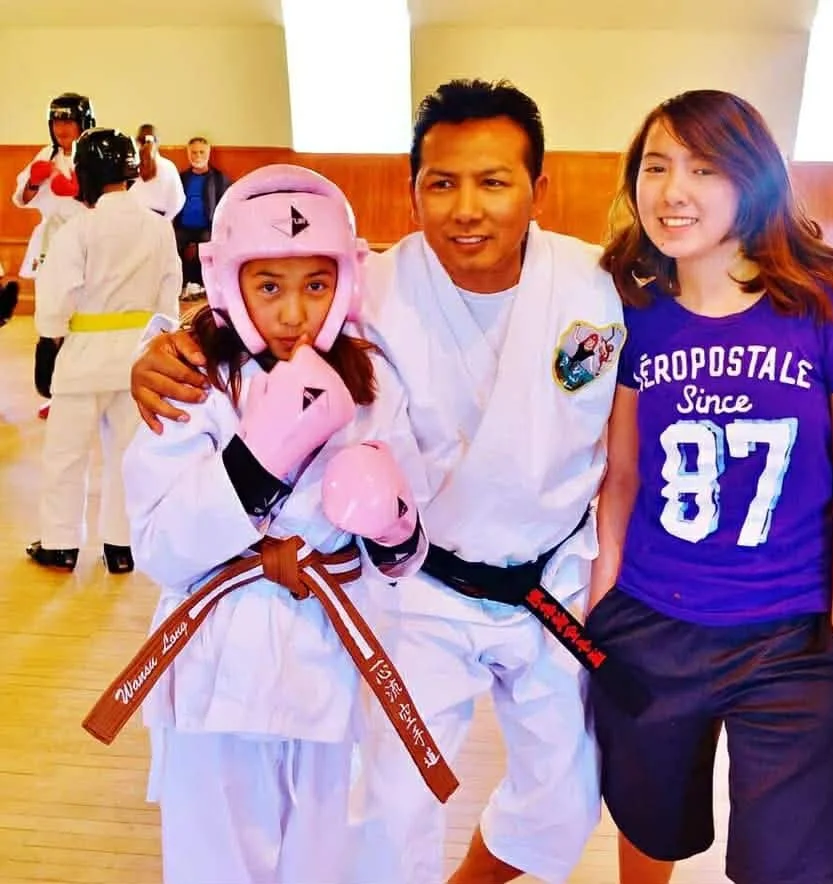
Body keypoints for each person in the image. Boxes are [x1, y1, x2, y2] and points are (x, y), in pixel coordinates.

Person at [128, 79, 623, 884]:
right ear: (413, 187)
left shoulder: (601, 285)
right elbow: (251, 316)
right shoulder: (365, 291)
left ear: (540, 185)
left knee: (569, 796)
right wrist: (158, 355)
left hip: (551, 584)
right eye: (442, 182)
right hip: (423, 593)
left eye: (494, 181)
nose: (467, 208)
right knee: (385, 812)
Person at [587, 89, 833, 884]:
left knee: (793, 865)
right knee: (649, 832)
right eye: (656, 167)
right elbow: (620, 480)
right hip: (652, 624)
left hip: (794, 637)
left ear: (751, 179)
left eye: (703, 167)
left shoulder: (830, 292)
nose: (672, 191)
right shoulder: (633, 305)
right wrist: (601, 616)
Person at [120, 164, 430, 884]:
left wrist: (391, 523)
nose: (293, 313)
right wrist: (252, 466)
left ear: (344, 284)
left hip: (328, 670)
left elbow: (406, 554)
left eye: (314, 285)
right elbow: (160, 550)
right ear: (231, 285)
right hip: (215, 679)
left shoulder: (373, 383)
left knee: (325, 864)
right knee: (214, 867)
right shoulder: (194, 381)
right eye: (269, 287)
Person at [26, 127, 182, 574]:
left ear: (86, 175)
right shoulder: (158, 227)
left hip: (83, 359)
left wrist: (47, 337)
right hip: (140, 357)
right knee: (129, 456)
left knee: (66, 455)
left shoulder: (80, 229)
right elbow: (169, 297)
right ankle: (122, 545)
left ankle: (60, 543)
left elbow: (58, 295)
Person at [11, 92, 96, 418]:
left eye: (69, 120)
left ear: (82, 122)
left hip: (88, 240)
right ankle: (55, 392)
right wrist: (34, 181)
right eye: (57, 121)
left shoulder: (94, 154)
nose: (62, 128)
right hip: (51, 241)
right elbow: (21, 198)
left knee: (83, 316)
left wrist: (78, 191)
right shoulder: (44, 154)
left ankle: (84, 392)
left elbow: (115, 195)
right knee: (50, 316)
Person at [173, 136, 231, 299]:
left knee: (206, 247)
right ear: (188, 154)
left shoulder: (219, 179)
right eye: (193, 152)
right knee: (172, 245)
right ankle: (180, 286)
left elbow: (227, 205)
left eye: (201, 152)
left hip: (207, 227)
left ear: (208, 153)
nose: (197, 156)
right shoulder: (181, 178)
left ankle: (204, 286)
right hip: (182, 228)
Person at [128, 124, 186, 220]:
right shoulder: (169, 167)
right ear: (158, 142)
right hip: (160, 221)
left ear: (137, 142)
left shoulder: (130, 167)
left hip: (134, 221)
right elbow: (178, 202)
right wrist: (166, 219)